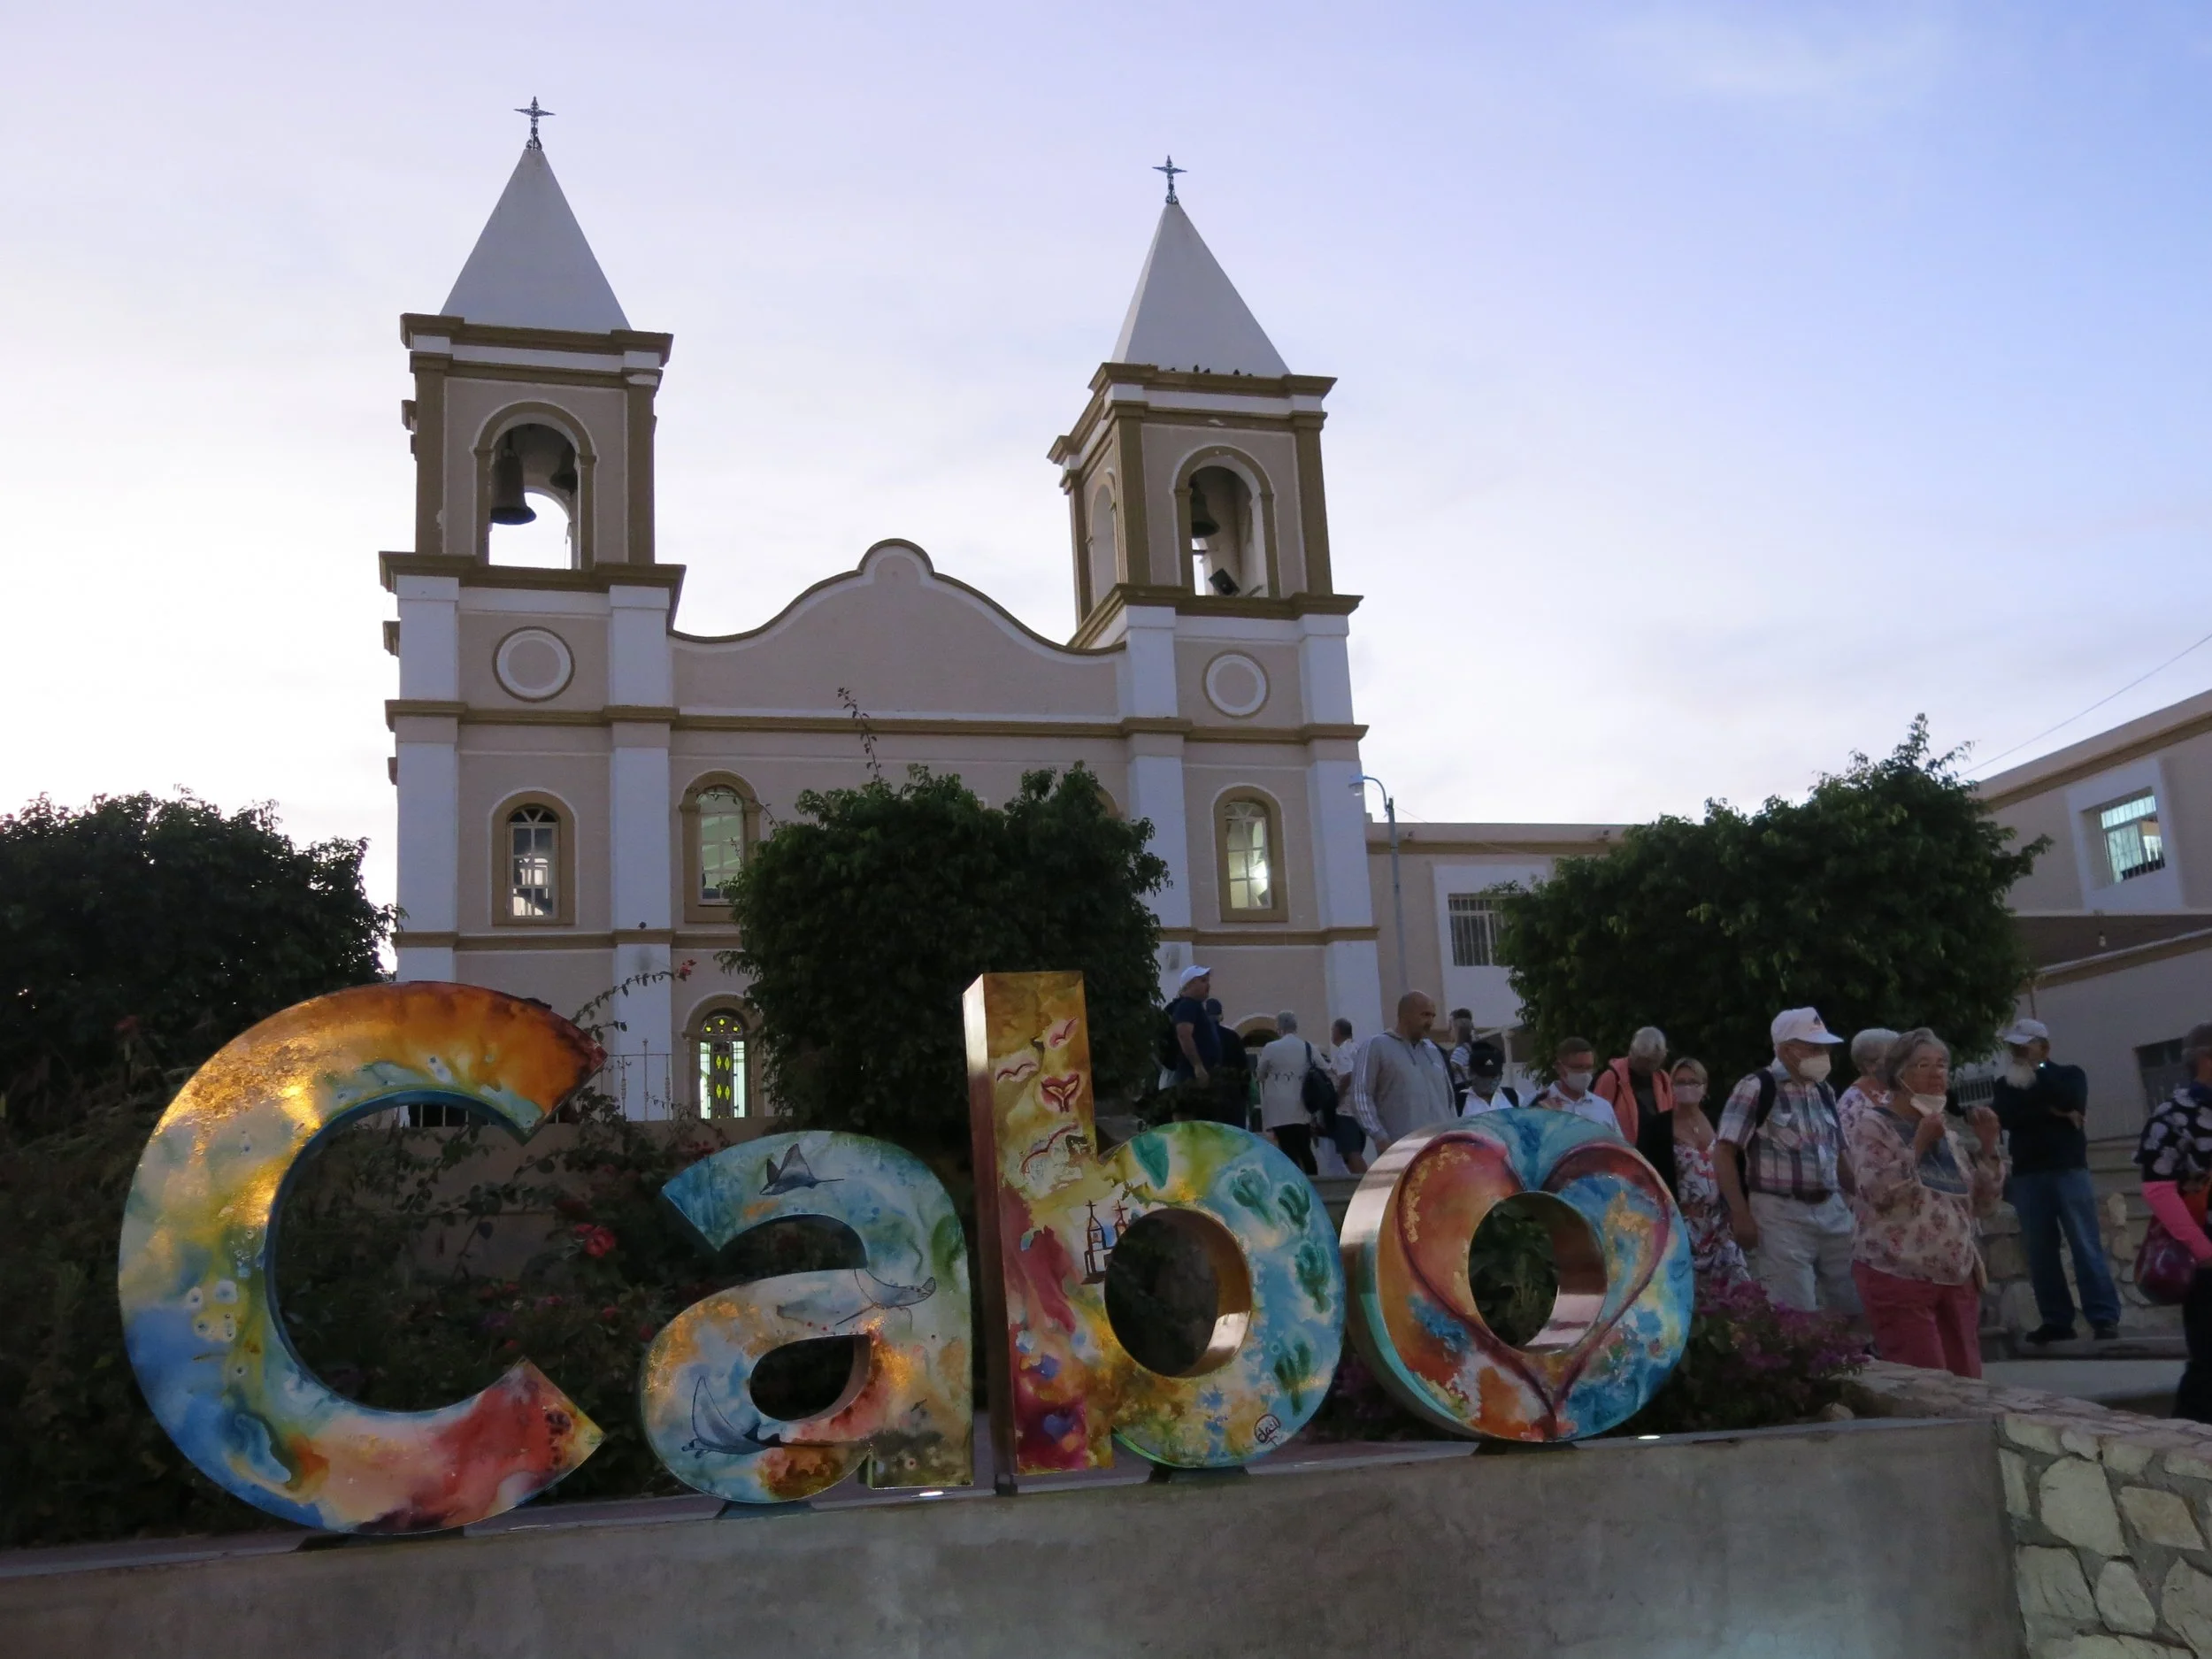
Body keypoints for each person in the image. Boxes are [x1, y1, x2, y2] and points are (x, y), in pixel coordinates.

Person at [1844, 1029, 2007, 1378]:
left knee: (1968, 1381)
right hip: (1899, 1273)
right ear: (1899, 1074)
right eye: (1923, 1065)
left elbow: (1981, 1206)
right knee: (1927, 1383)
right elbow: (1876, 1193)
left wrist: (1989, 1149)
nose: (1937, 1074)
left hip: (1955, 1276)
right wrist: (1916, 1146)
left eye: (1942, 1065)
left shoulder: (1945, 1132)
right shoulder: (1873, 1124)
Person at [1715, 1007, 1861, 1317]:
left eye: (1824, 1048)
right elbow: (1725, 1151)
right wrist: (1740, 1214)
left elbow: (1839, 1152)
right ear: (1784, 1049)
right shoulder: (1756, 1087)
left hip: (1832, 1209)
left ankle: (1862, 1362)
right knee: (1794, 1311)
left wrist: (1863, 1197)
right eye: (1813, 1047)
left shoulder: (1824, 1090)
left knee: (1855, 1303)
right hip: (1780, 1213)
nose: (1822, 1054)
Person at [1994, 1016, 2122, 1344]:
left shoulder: (2069, 1074)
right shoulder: (2005, 1085)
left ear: (2043, 1047)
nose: (2018, 1053)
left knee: (2084, 1243)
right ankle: (2056, 1319)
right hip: (2028, 1173)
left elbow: (2070, 1100)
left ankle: (2103, 1317)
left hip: (2068, 1169)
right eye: (2014, 1048)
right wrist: (2053, 1113)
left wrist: (2042, 1073)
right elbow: (2009, 1117)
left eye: (2025, 1046)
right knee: (2040, 1251)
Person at [2136, 1022, 2212, 1421]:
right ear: (2204, 1060)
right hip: (2205, 1251)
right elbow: (2158, 1190)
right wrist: (2202, 1250)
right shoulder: (2173, 1117)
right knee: (2209, 1361)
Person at [1669, 1056, 1751, 1290]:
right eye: (1680, 1082)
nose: (1687, 1087)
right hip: (1682, 1227)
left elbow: (1733, 1166)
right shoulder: (1659, 1127)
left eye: (1693, 1082)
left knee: (1739, 1295)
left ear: (1704, 1087)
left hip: (1719, 1226)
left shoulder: (1719, 1121)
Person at [1350, 991, 1455, 1155]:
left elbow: (1449, 1101)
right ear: (1405, 1015)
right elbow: (1360, 1095)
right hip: (1400, 1152)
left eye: (1432, 1016)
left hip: (1440, 1152)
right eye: (1425, 1015)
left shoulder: (1433, 1051)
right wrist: (1379, 1136)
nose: (1430, 1022)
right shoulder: (1376, 1046)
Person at [1595, 1026, 1677, 1191]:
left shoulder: (1663, 1079)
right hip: (1623, 1165)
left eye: (1655, 1061)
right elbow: (1596, 1121)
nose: (1650, 1067)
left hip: (1657, 1164)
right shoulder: (1611, 1079)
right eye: (1646, 1062)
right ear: (1633, 1054)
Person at [1256, 1012, 1319, 1174]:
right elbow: (1325, 1069)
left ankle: (1295, 1184)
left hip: (1279, 1109)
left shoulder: (1271, 1048)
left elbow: (1260, 1074)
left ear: (1279, 1028)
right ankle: (1316, 1184)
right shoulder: (1308, 1047)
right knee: (1305, 1148)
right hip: (1303, 1105)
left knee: (1288, 1148)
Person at [1526, 1038, 1623, 1136]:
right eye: (1578, 1067)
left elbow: (1620, 1148)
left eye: (1589, 1067)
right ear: (1559, 1067)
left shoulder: (1603, 1107)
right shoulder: (1536, 1103)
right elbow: (1522, 1144)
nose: (1585, 1074)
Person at [1836, 1028, 1900, 1140]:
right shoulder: (1855, 1103)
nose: (1903, 1063)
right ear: (1869, 1065)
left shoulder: (1888, 1091)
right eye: (1894, 1058)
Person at [1165, 966, 1222, 1088]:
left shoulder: (1194, 1006)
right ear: (1188, 985)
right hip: (1190, 1075)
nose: (1208, 985)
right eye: (1202, 981)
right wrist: (1198, 1066)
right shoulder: (1187, 1005)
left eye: (1207, 981)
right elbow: (1184, 1035)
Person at [1325, 1018, 1368, 1173]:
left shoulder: (1344, 1051)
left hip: (1346, 1109)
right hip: (1361, 1107)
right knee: (1349, 1152)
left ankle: (1367, 1185)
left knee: (1351, 1152)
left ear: (1337, 1032)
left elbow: (1348, 1074)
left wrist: (1336, 1097)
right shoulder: (1359, 1049)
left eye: (1332, 1031)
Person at [1459, 1039, 1520, 1115]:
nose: (1490, 1081)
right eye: (1485, 1076)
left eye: (1494, 1076)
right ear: (1471, 1074)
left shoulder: (1513, 1096)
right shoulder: (1459, 1102)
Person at [1445, 1009, 1480, 1107]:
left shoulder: (1460, 1051)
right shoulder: (1472, 1047)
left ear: (1457, 1028)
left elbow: (1447, 1073)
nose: (1448, 1030)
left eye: (1451, 1026)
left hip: (1462, 1094)